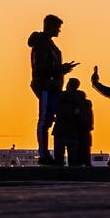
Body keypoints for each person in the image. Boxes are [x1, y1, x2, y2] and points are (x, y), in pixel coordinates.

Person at [27, 14, 78, 165]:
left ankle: (47, 154)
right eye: (57, 27)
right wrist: (61, 69)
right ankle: (43, 154)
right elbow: (41, 68)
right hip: (46, 87)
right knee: (44, 120)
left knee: (48, 120)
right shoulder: (41, 44)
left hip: (52, 88)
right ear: (49, 26)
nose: (59, 31)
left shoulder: (48, 44)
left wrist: (61, 70)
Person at [53, 78, 94, 167]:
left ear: (68, 85)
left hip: (60, 131)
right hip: (74, 132)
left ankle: (58, 176)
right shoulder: (82, 101)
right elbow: (86, 120)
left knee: (58, 160)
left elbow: (55, 111)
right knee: (73, 162)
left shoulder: (59, 97)